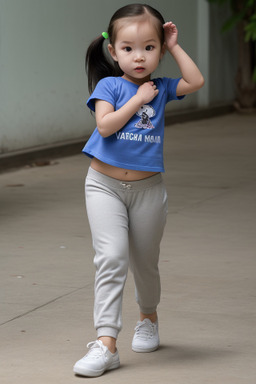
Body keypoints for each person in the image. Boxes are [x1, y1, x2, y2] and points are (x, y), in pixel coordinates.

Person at [73, 3, 204, 377]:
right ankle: (106, 343)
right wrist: (138, 99)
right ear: (113, 52)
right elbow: (105, 127)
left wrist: (175, 46)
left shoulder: (162, 87)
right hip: (104, 186)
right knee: (111, 258)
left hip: (148, 189)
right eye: (128, 48)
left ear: (159, 50)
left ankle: (148, 317)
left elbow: (195, 82)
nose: (139, 56)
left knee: (145, 263)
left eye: (150, 47)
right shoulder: (109, 86)